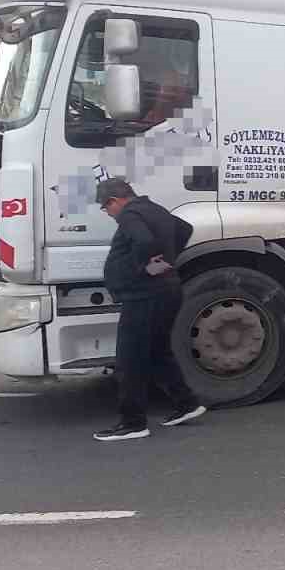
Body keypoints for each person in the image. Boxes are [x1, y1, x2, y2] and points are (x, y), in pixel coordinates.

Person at [92, 178, 208, 442]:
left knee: (129, 360)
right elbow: (184, 229)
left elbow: (143, 242)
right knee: (158, 352)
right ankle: (187, 403)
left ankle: (133, 423)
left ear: (115, 200)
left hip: (144, 295)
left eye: (105, 207)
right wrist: (167, 259)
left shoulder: (130, 214)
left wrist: (141, 267)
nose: (107, 213)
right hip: (168, 291)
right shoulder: (155, 209)